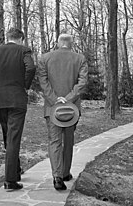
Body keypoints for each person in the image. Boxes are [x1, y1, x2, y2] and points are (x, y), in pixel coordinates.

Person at [0, 28, 36, 190]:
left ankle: (16, 170)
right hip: (17, 99)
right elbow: (31, 68)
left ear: (8, 38)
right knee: (13, 137)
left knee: (8, 135)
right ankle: (10, 180)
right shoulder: (23, 51)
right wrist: (24, 86)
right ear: (20, 38)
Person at [38, 33, 88, 191]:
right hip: (72, 109)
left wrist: (55, 100)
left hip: (52, 108)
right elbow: (82, 82)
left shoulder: (44, 58)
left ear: (58, 43)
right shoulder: (80, 59)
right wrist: (68, 99)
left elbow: (43, 82)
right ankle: (65, 172)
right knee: (68, 140)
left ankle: (57, 176)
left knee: (54, 141)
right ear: (71, 44)